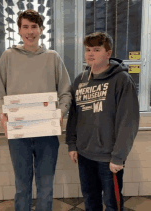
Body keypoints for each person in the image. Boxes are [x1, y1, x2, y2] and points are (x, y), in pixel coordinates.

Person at [0, 9, 72, 211]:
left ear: (41, 30)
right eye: (25, 27)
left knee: (45, 186)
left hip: (47, 133)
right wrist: (2, 114)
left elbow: (66, 93)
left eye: (34, 27)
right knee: (22, 186)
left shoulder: (53, 57)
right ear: (19, 30)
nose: (30, 31)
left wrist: (60, 112)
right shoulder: (8, 57)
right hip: (18, 133)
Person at [66, 32, 140, 211]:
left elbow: (128, 121)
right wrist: (72, 144)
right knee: (90, 201)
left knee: (112, 203)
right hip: (84, 155)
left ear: (108, 53)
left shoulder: (121, 80)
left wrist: (118, 156)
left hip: (109, 158)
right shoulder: (80, 80)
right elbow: (74, 116)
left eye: (97, 50)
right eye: (88, 50)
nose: (90, 54)